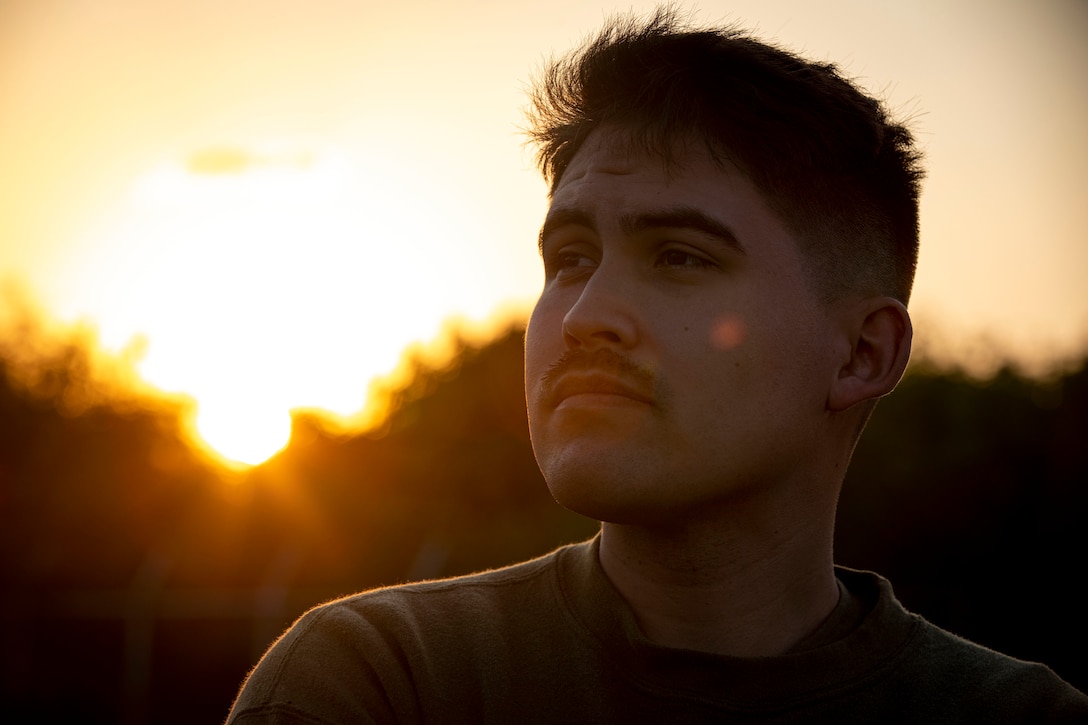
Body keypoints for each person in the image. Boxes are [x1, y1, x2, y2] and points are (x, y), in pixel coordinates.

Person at [227, 10, 1088, 723]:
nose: (585, 317)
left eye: (680, 256)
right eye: (570, 258)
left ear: (862, 352)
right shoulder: (383, 682)